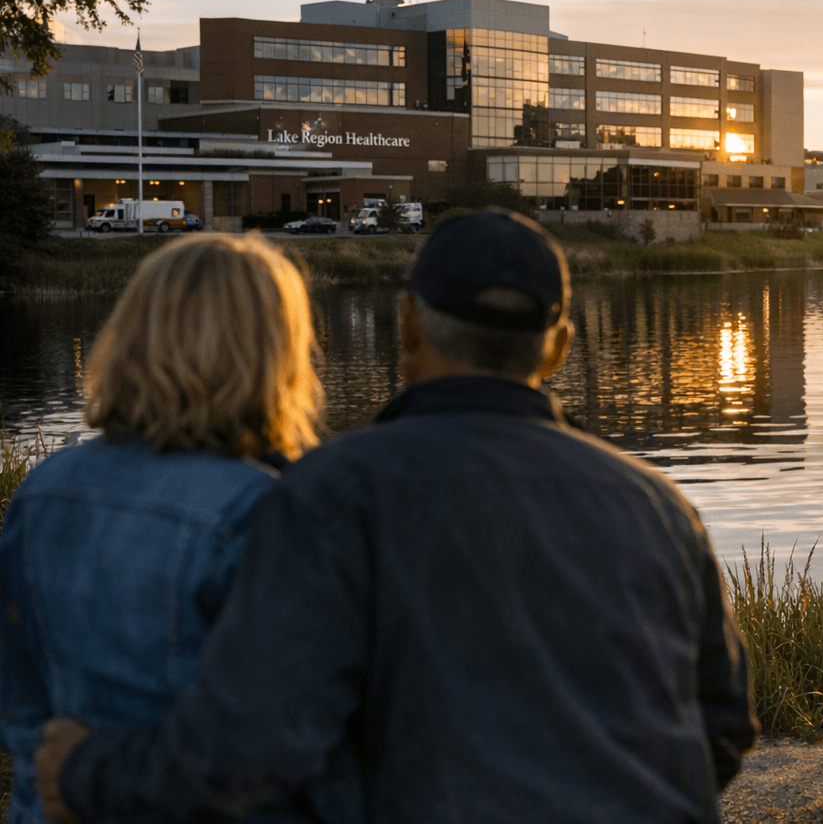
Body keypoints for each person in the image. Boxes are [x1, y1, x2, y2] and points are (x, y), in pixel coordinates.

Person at [33, 209, 758, 824]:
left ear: (407, 323)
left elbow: (251, 748)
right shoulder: (661, 506)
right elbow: (724, 729)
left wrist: (82, 772)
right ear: (561, 347)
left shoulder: (331, 493)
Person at [0, 233, 326, 824]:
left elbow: (18, 695)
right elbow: (278, 741)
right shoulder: (263, 509)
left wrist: (52, 778)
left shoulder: (44, 488)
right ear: (275, 351)